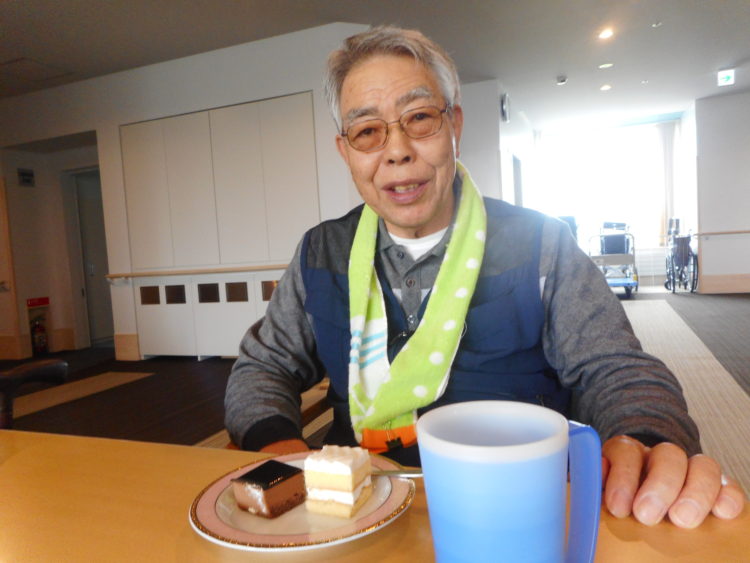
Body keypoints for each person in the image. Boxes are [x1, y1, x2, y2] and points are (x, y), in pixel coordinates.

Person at [225, 26, 745, 529]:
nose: (397, 149)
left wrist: (645, 440)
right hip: (356, 510)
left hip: (511, 510)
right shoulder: (320, 251)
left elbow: (618, 369)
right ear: (346, 152)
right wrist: (284, 456)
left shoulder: (541, 244)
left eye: (419, 118)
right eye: (367, 131)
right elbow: (262, 367)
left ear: (454, 125)